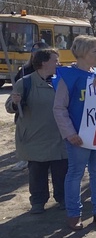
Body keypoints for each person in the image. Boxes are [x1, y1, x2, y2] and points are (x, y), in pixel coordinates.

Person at [52, 35, 96, 230]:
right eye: (95, 50)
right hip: (78, 136)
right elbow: (59, 108)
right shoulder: (68, 76)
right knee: (76, 173)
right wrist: (69, 133)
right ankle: (73, 214)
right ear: (84, 52)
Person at [5, 48, 67, 214]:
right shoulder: (25, 82)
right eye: (55, 60)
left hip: (58, 137)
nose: (58, 63)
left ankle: (63, 199)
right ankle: (38, 202)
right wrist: (14, 102)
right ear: (44, 62)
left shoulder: (61, 80)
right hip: (35, 137)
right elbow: (10, 107)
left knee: (61, 172)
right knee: (37, 174)